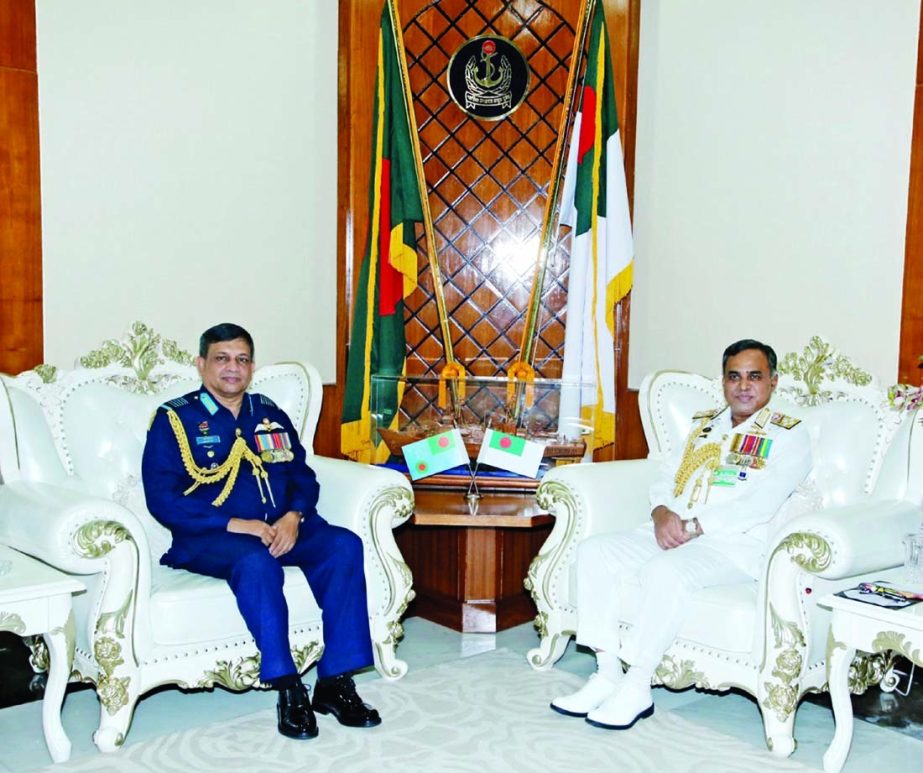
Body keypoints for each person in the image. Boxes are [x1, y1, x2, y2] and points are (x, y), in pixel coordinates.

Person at [550, 339, 812, 730]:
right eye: (734, 376)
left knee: (665, 571)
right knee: (594, 551)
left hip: (733, 546)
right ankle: (607, 674)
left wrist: (694, 527)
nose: (743, 386)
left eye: (754, 377)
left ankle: (637, 685)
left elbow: (761, 503)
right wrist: (660, 513)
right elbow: (666, 476)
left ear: (773, 382)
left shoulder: (789, 436)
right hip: (673, 529)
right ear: (722, 383)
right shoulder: (704, 425)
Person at [142, 323, 381, 740]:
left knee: (344, 545)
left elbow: (303, 476)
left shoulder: (268, 413)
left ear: (252, 367)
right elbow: (163, 498)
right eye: (221, 358)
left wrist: (295, 516)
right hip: (213, 538)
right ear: (202, 365)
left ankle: (335, 682)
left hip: (283, 528)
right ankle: (288, 686)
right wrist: (236, 524)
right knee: (255, 562)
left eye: (242, 359)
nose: (232, 368)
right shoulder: (175, 419)